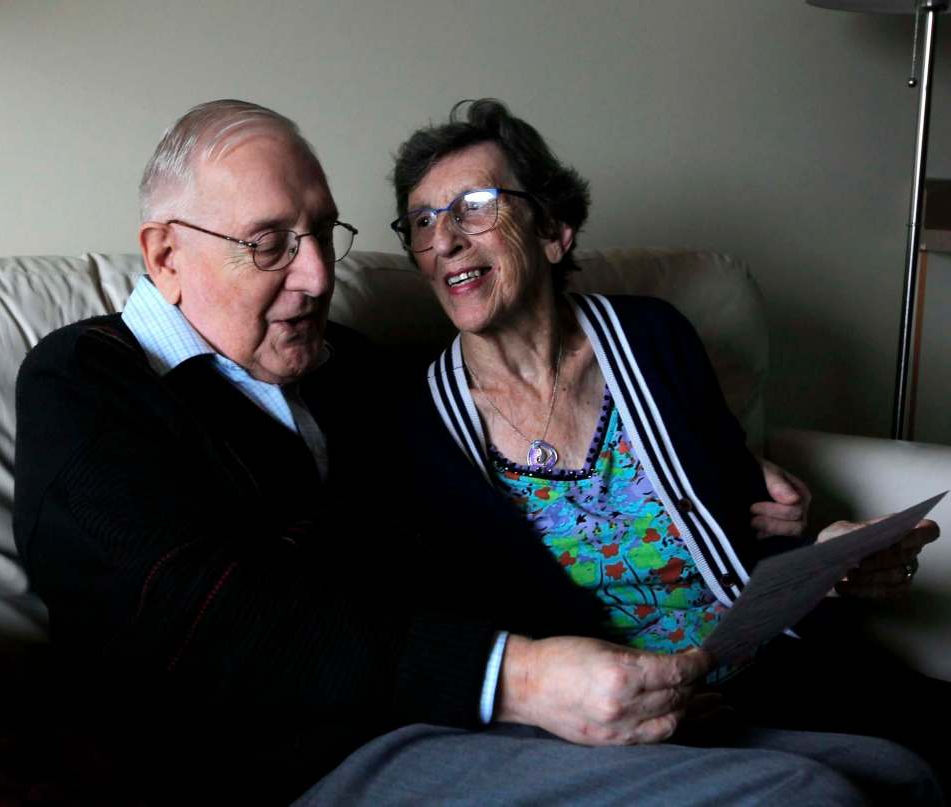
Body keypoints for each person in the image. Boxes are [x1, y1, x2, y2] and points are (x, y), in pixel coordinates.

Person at [12, 99, 938, 805]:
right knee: (801, 796)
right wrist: (517, 674)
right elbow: (206, 616)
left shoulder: (347, 378)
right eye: (268, 245)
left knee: (895, 770)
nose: (317, 277)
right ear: (165, 255)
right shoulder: (85, 384)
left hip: (444, 712)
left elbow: (497, 533)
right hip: (296, 761)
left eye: (322, 236)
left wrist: (778, 517)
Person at [381, 98, 948, 799]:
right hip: (614, 722)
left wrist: (825, 557)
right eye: (424, 219)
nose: (445, 238)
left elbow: (746, 523)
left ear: (555, 230)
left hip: (764, 667)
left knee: (920, 760)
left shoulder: (654, 339)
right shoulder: (418, 423)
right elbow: (457, 626)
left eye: (475, 205)